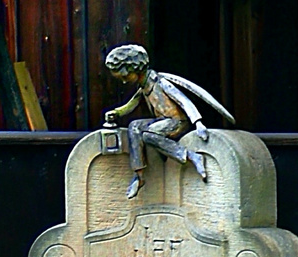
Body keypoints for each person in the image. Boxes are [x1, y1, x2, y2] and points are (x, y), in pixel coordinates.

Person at [101, 44, 236, 198]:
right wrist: (117, 112)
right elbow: (132, 103)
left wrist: (198, 122)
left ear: (135, 68)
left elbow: (183, 101)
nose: (125, 82)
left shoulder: (160, 82)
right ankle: (139, 176)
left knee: (147, 135)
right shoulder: (143, 86)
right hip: (162, 122)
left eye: (125, 76)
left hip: (176, 122)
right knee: (134, 126)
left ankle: (191, 156)